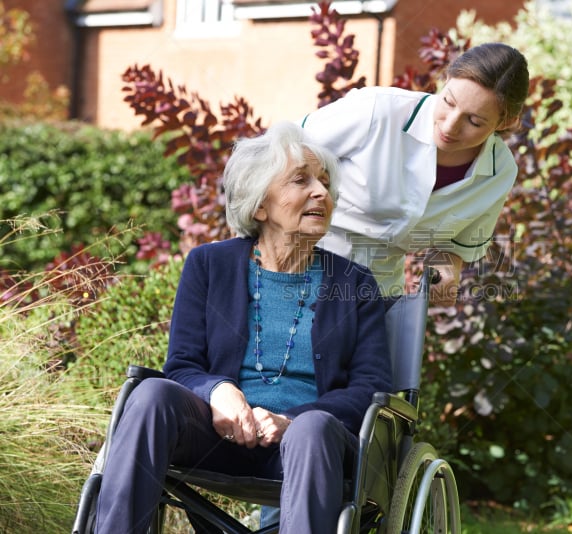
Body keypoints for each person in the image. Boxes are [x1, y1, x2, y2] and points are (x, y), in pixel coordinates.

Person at [93, 121, 392, 534]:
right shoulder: (209, 266)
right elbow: (182, 366)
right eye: (301, 180)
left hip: (309, 448)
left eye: (324, 183)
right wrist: (218, 391)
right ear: (259, 206)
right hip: (218, 437)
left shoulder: (355, 284)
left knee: (313, 428)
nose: (322, 193)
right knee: (151, 395)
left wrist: (293, 419)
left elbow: (369, 389)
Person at [299, 42, 529, 306]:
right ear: (446, 80)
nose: (451, 126)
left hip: (379, 295)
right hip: (302, 267)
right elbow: (278, 155)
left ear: (505, 122)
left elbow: (455, 247)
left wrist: (446, 273)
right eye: (448, 101)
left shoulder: (499, 171)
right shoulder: (379, 110)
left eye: (474, 121)